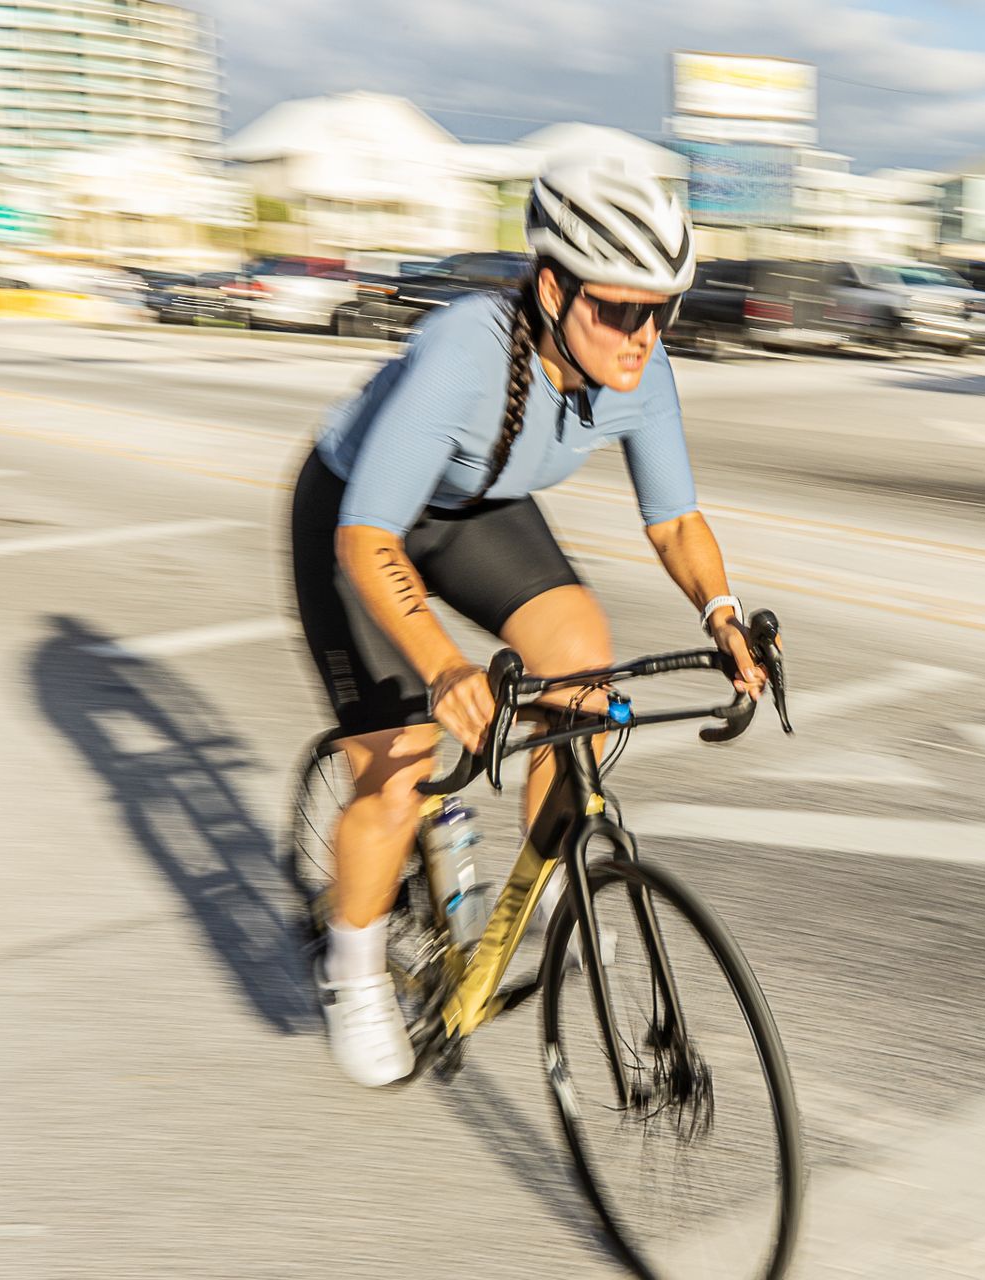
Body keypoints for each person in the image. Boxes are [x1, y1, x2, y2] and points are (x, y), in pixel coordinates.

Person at [288, 158, 767, 1086]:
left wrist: (723, 616)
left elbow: (674, 520)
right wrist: (443, 666)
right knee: (398, 771)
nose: (642, 336)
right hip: (359, 517)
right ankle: (351, 968)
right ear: (553, 290)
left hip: (474, 508)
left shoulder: (639, 369)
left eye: (662, 311)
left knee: (583, 667)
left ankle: (551, 883)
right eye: (619, 311)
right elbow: (368, 538)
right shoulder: (462, 354)